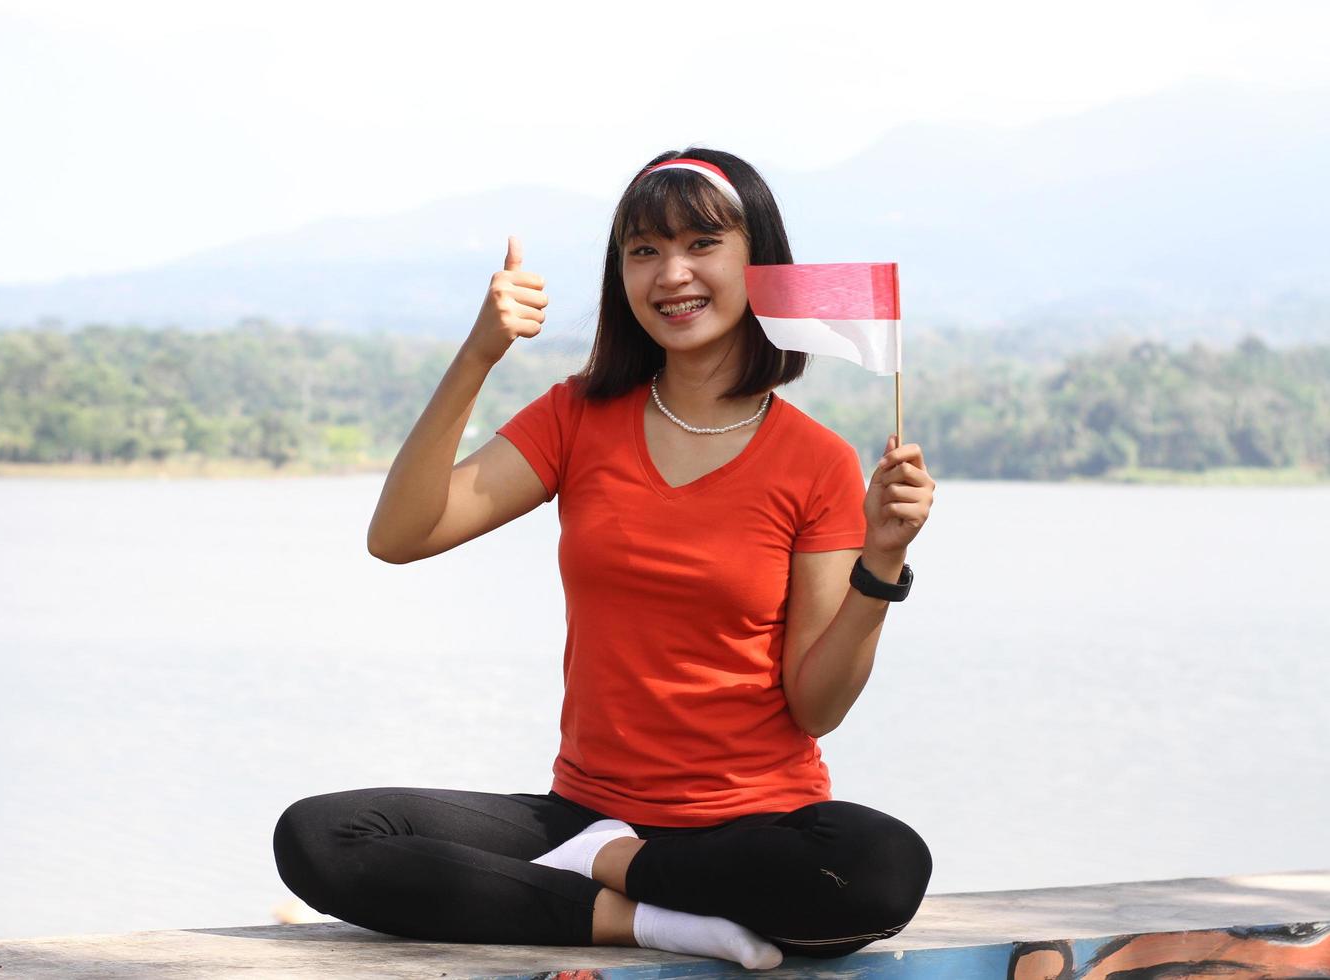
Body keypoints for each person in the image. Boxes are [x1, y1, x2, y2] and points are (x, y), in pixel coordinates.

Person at [273, 148, 937, 970]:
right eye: (644, 251)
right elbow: (401, 535)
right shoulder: (578, 417)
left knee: (879, 868)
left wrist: (881, 563)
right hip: (584, 811)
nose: (672, 274)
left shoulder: (818, 464)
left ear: (756, 261)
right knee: (321, 836)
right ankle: (650, 918)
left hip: (753, 824)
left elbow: (817, 706)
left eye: (702, 244)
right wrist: (481, 352)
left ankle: (619, 874)